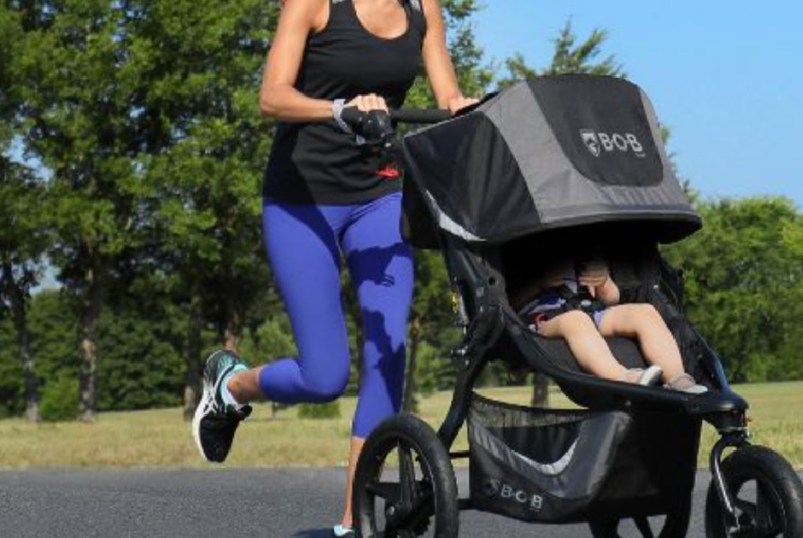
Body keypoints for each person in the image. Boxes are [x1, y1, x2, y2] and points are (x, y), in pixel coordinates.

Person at [190, 0, 477, 536]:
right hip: (302, 201)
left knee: (387, 355)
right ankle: (231, 387)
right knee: (325, 376)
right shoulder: (314, 3)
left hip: (381, 196)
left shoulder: (423, 8)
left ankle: (355, 522)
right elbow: (271, 97)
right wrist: (338, 108)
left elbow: (449, 97)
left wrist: (469, 109)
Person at [514, 257, 708, 394]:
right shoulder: (528, 256)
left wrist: (604, 282)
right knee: (576, 320)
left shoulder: (587, 256)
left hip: (588, 312)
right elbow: (510, 302)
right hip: (542, 320)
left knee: (645, 311)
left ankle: (677, 378)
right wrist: (539, 283)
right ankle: (623, 377)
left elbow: (612, 299)